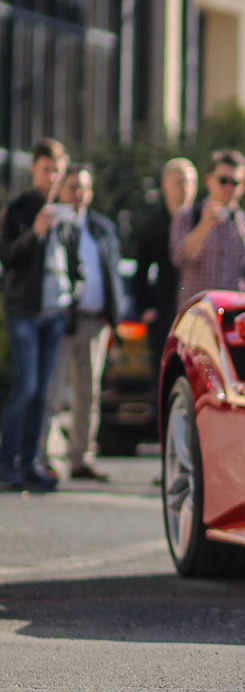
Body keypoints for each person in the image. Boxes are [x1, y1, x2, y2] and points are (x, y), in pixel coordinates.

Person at [43, 165, 126, 481]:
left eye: (84, 188)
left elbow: (112, 271)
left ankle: (81, 456)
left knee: (88, 392)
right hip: (63, 318)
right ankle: (49, 456)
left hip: (96, 321)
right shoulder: (56, 222)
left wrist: (114, 313)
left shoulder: (101, 227)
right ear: (62, 189)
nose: (79, 193)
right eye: (73, 186)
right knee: (54, 390)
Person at [0, 138, 74, 492]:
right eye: (46, 170)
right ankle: (6, 461)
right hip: (24, 310)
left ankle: (30, 462)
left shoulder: (64, 209)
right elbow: (9, 257)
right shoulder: (19, 208)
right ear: (34, 169)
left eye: (57, 170)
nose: (52, 176)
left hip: (54, 310)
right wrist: (36, 231)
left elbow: (74, 258)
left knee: (43, 392)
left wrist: (77, 284)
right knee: (26, 386)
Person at [171, 150, 245, 306]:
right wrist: (204, 224)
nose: (229, 187)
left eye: (235, 182)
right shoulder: (188, 216)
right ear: (209, 180)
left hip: (233, 318)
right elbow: (179, 257)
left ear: (243, 185)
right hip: (196, 315)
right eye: (223, 181)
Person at [133, 157, 196, 382]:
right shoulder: (153, 225)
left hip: (195, 311)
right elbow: (140, 272)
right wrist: (146, 308)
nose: (185, 188)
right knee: (162, 378)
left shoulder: (201, 222)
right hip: (164, 312)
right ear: (165, 186)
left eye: (190, 182)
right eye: (179, 182)